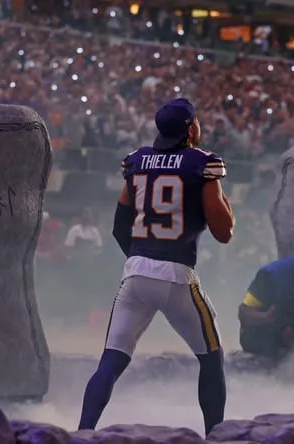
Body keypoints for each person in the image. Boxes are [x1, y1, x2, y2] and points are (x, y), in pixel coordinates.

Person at [78, 98, 235, 436]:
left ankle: (82, 433)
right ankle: (217, 436)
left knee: (112, 360)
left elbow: (120, 224)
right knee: (211, 357)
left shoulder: (137, 161)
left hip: (135, 274)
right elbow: (224, 233)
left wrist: (140, 258)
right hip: (177, 275)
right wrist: (225, 205)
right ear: (192, 127)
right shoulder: (202, 163)